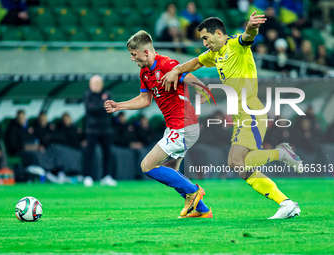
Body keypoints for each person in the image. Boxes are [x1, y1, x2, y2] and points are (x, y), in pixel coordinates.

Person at [161, 13, 303, 219]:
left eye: (206, 38)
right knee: (241, 164)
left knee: (236, 162)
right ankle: (285, 197)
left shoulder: (235, 44)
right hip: (241, 114)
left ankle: (282, 168)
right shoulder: (214, 54)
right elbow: (195, 63)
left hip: (250, 110)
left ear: (219, 34)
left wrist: (251, 27)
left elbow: (248, 36)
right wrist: (176, 71)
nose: (204, 43)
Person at [104, 30, 212, 218]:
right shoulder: (145, 72)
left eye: (133, 53)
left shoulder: (167, 64)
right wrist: (118, 106)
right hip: (175, 127)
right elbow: (145, 100)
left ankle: (194, 191)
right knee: (171, 172)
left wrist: (202, 90)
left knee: (147, 166)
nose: (131, 58)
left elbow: (187, 76)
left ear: (145, 51)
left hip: (184, 126)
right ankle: (202, 210)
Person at [83, 75, 116, 187]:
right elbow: (90, 109)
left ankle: (107, 176)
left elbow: (110, 109)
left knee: (108, 154)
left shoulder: (108, 94)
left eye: (98, 83)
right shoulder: (87, 95)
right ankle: (88, 176)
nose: (96, 86)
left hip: (106, 130)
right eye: (94, 83)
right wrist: (102, 106)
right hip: (92, 130)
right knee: (89, 154)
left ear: (102, 84)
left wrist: (98, 107)